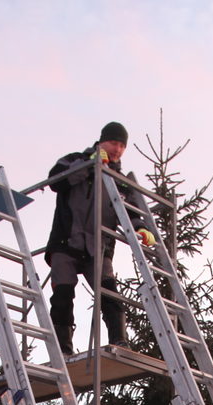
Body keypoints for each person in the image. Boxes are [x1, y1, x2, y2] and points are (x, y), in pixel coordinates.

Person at [45, 121, 141, 355]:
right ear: (101, 141)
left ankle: (119, 340)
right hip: (66, 242)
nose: (117, 149)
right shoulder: (76, 159)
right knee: (63, 295)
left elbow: (131, 212)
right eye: (113, 143)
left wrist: (141, 229)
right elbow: (55, 180)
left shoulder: (119, 180)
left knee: (109, 291)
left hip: (98, 246)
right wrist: (90, 164)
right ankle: (63, 349)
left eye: (121, 146)